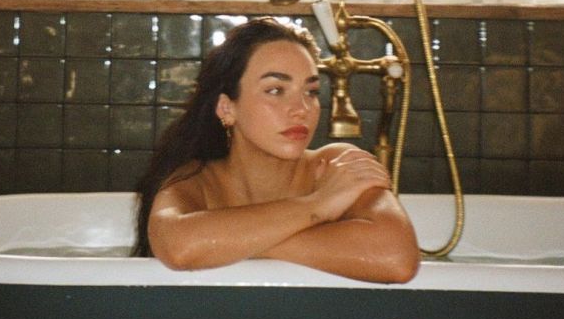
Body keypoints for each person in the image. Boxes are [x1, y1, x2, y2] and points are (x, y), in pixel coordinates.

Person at [134, 18, 420, 283]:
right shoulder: (195, 180)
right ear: (227, 108)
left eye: (311, 92)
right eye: (275, 90)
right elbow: (178, 247)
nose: (302, 109)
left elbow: (397, 260)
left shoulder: (337, 166)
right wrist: (318, 205)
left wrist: (234, 243)